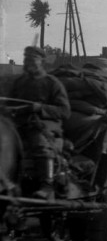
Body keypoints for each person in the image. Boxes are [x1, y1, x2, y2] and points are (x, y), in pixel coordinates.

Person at [10, 46, 71, 200]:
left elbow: (64, 111)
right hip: (20, 123)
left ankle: (47, 185)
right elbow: (10, 104)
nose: (27, 62)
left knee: (39, 141)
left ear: (42, 61)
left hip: (45, 125)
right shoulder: (19, 82)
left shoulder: (53, 83)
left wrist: (40, 108)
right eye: (26, 59)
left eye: (32, 59)